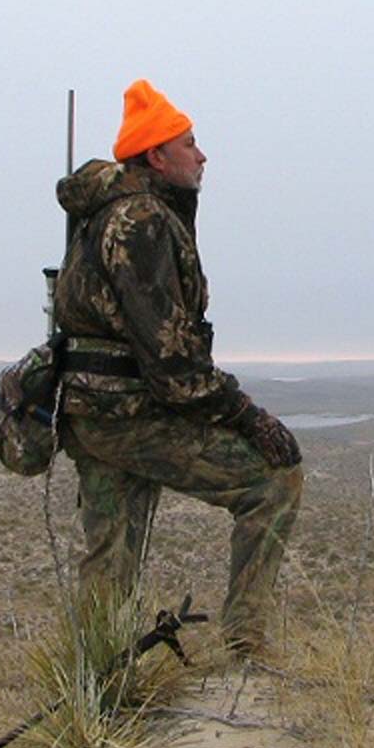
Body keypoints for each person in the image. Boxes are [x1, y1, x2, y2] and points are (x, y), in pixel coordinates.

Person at [52, 79, 303, 652]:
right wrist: (247, 414)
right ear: (157, 156)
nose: (202, 154)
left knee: (111, 558)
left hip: (94, 415)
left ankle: (97, 692)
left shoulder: (110, 213)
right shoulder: (141, 222)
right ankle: (244, 646)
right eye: (189, 143)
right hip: (131, 413)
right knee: (274, 480)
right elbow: (174, 366)